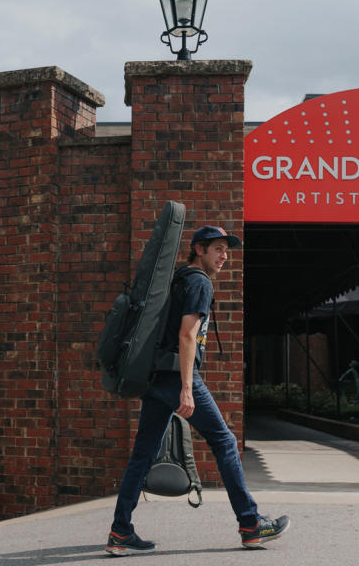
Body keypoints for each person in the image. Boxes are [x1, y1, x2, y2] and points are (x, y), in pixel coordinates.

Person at [106, 225, 289, 555]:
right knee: (224, 441)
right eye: (217, 249)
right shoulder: (198, 283)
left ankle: (120, 531)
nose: (224, 256)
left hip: (155, 376)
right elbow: (187, 335)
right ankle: (250, 524)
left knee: (143, 453)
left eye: (226, 250)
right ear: (199, 249)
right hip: (177, 376)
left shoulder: (177, 277)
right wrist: (187, 389)